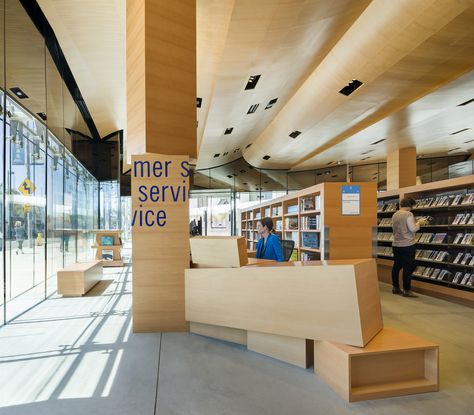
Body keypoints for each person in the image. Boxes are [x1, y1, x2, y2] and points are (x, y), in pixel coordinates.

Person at [391, 197, 426, 297]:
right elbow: (413, 229)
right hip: (407, 244)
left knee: (396, 266)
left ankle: (395, 287)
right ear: (410, 205)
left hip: (396, 244)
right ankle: (406, 290)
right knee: (408, 267)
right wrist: (419, 223)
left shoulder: (395, 214)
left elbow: (394, 229)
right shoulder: (408, 214)